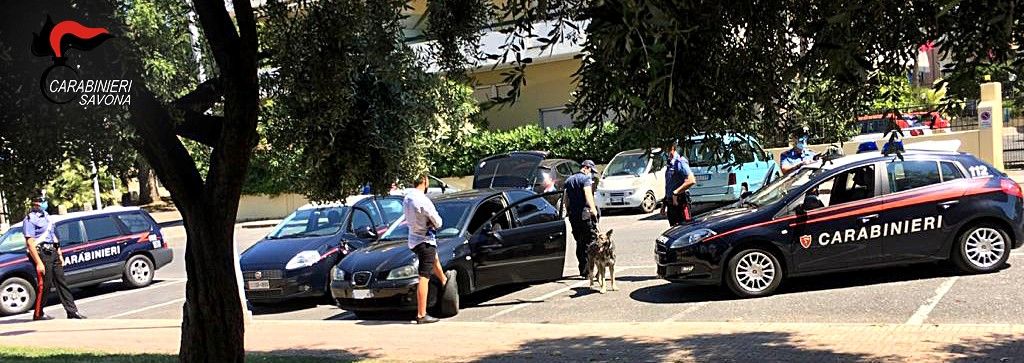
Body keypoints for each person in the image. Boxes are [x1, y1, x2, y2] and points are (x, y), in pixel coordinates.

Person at [24, 197, 85, 320]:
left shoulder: (47, 216)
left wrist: (59, 253)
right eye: (42, 200)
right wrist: (38, 263)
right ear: (35, 203)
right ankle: (38, 313)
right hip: (41, 253)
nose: (45, 203)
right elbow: (30, 243)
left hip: (53, 251)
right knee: (45, 285)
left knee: (62, 282)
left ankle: (72, 311)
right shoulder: (30, 219)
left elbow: (53, 237)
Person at [402, 174, 449, 324]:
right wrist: (431, 222)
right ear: (425, 181)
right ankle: (421, 314)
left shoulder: (407, 198)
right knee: (424, 276)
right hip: (424, 240)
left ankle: (444, 280)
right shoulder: (423, 200)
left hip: (413, 239)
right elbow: (438, 222)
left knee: (434, 258)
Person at [563, 160, 600, 278]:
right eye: (591, 171)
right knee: (590, 242)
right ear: (586, 168)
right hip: (585, 215)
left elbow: (566, 199)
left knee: (579, 242)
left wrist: (568, 211)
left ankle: (583, 270)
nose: (591, 174)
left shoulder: (569, 180)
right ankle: (590, 270)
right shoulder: (585, 179)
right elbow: (588, 194)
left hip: (574, 216)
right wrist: (593, 210)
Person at [661, 142, 696, 227]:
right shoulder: (669, 163)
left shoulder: (680, 162)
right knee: (674, 229)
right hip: (671, 203)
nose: (663, 151)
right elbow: (669, 185)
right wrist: (664, 204)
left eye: (665, 148)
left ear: (672, 148)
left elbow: (691, 180)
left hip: (680, 202)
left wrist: (676, 192)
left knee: (685, 228)